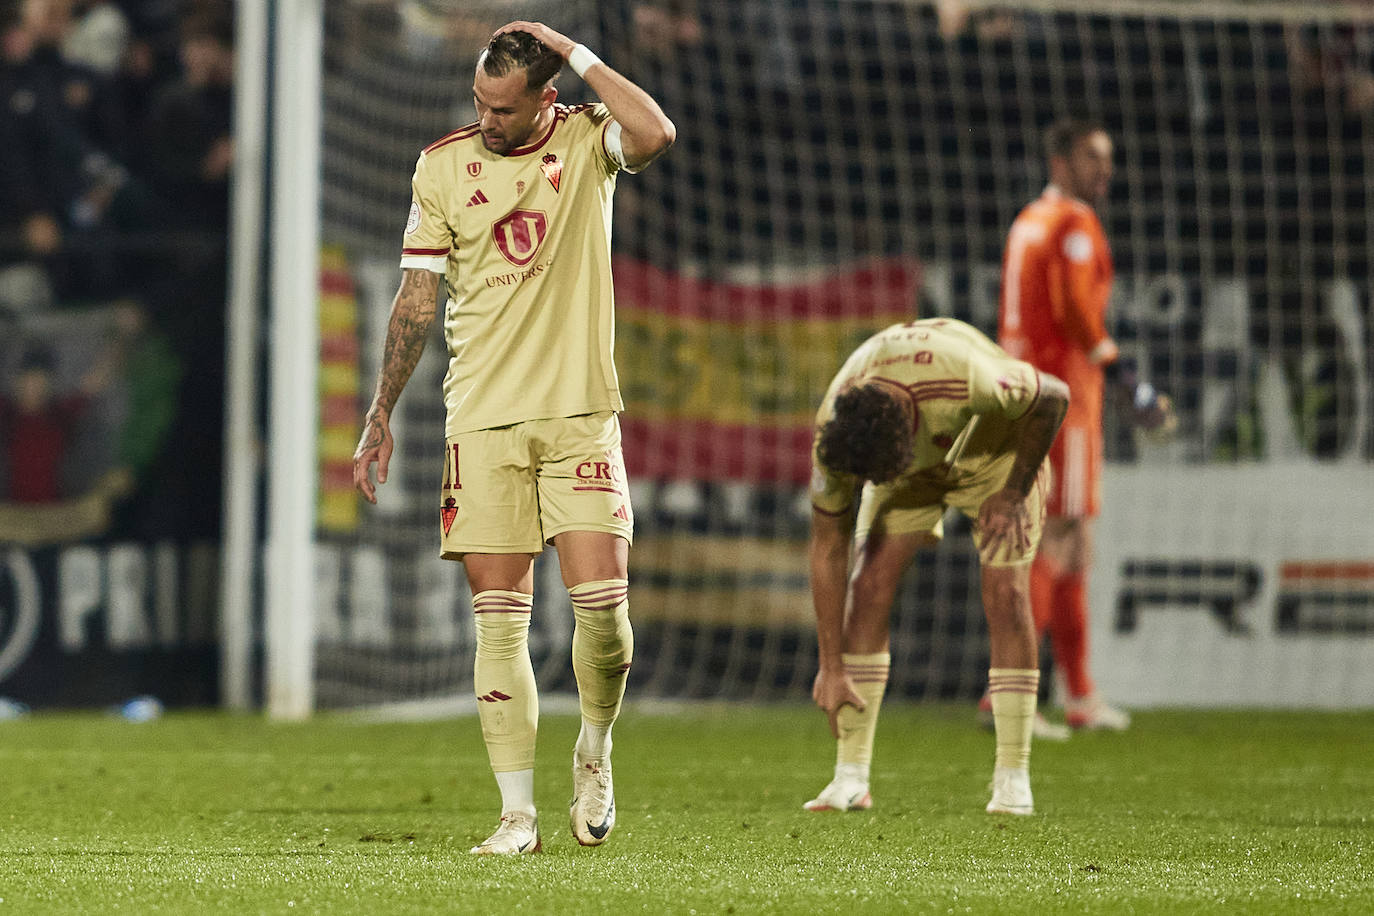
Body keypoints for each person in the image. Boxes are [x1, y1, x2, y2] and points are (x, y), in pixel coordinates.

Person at [352, 22, 674, 855]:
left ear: (546, 99)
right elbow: (416, 301)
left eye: (503, 107)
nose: (488, 119)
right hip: (483, 418)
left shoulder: (588, 141)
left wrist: (577, 51)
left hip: (579, 414)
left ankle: (595, 751)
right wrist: (381, 411)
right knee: (499, 621)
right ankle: (517, 817)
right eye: (479, 103)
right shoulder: (440, 167)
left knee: (602, 614)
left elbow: (656, 132)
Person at [804, 317, 1069, 816]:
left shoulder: (967, 376)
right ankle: (850, 779)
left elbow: (1053, 395)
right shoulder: (834, 434)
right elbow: (826, 547)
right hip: (911, 475)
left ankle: (1013, 778)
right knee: (869, 585)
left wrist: (1013, 491)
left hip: (997, 456)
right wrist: (831, 665)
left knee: (1006, 592)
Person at [994, 119, 1175, 732]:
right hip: (1062, 395)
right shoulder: (1073, 223)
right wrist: (1125, 375)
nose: (1107, 169)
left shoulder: (1029, 219)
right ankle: (1008, 698)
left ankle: (1079, 695)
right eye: (1094, 156)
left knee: (1074, 547)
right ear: (1062, 159)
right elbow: (1074, 306)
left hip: (1021, 388)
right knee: (1055, 538)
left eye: (1110, 157)